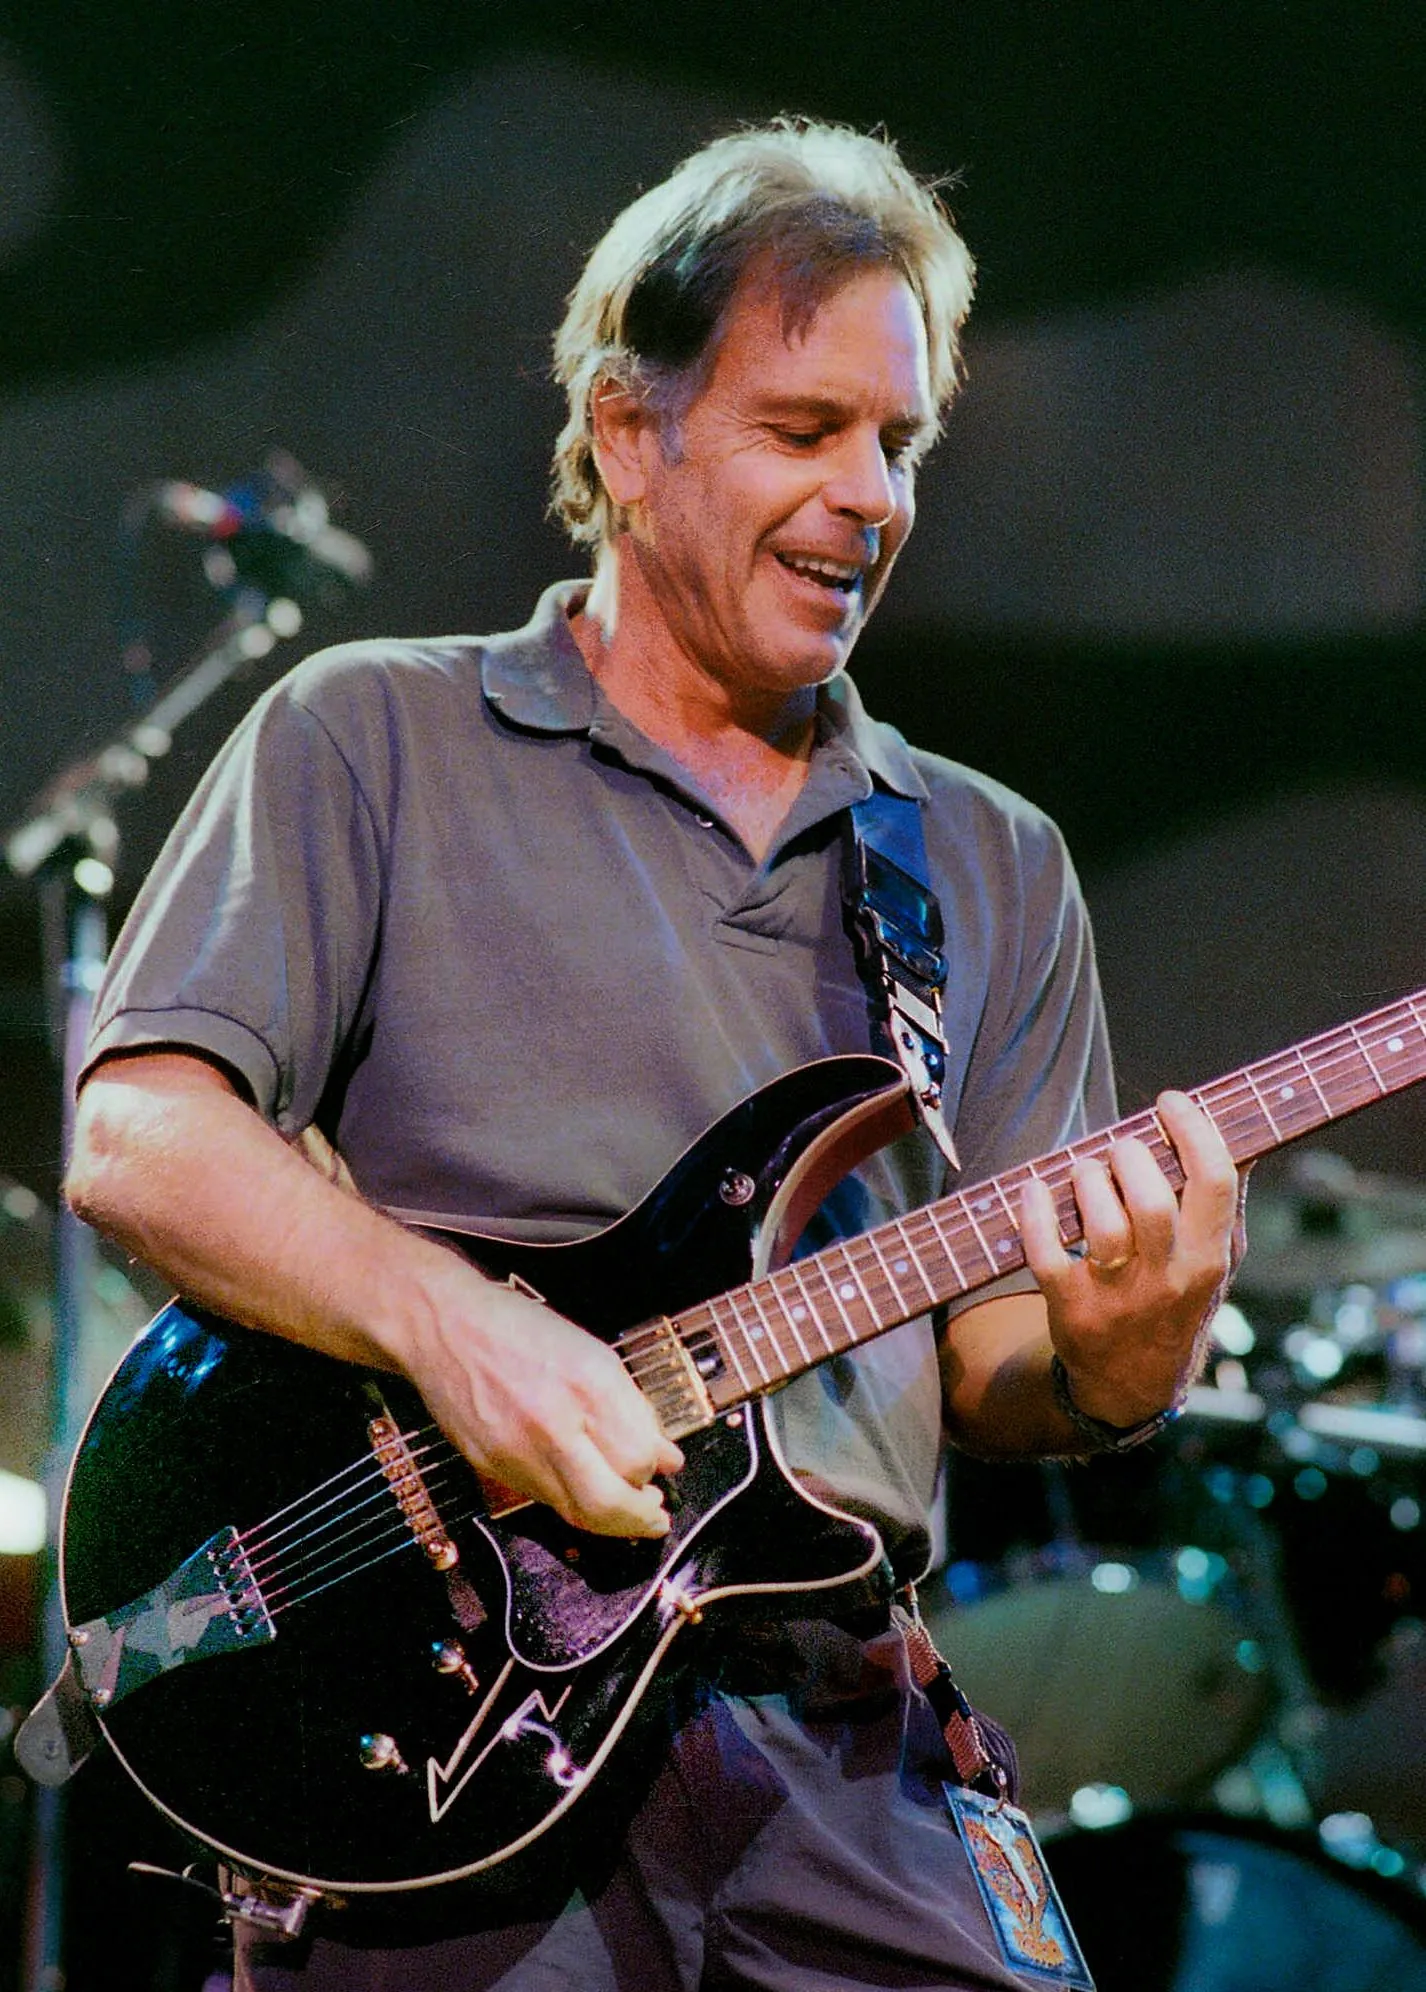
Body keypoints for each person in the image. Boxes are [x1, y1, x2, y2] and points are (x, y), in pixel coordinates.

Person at [64, 120, 1241, 1991]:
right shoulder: (372, 737)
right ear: (629, 433)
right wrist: (463, 1329)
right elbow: (141, 1135)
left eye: (899, 442)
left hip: (842, 1725)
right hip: (440, 1694)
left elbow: (996, 1367)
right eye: (803, 429)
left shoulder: (985, 858)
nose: (869, 494)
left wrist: (1119, 1353)